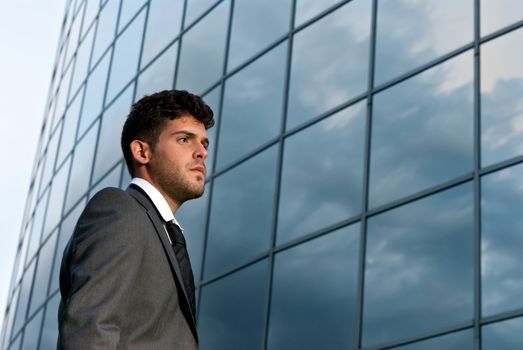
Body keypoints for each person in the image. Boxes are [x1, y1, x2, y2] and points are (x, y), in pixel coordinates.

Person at [58, 90, 214, 349]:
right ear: (142, 151)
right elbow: (90, 331)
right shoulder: (119, 212)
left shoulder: (163, 234)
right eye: (185, 139)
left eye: (204, 143)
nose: (202, 153)